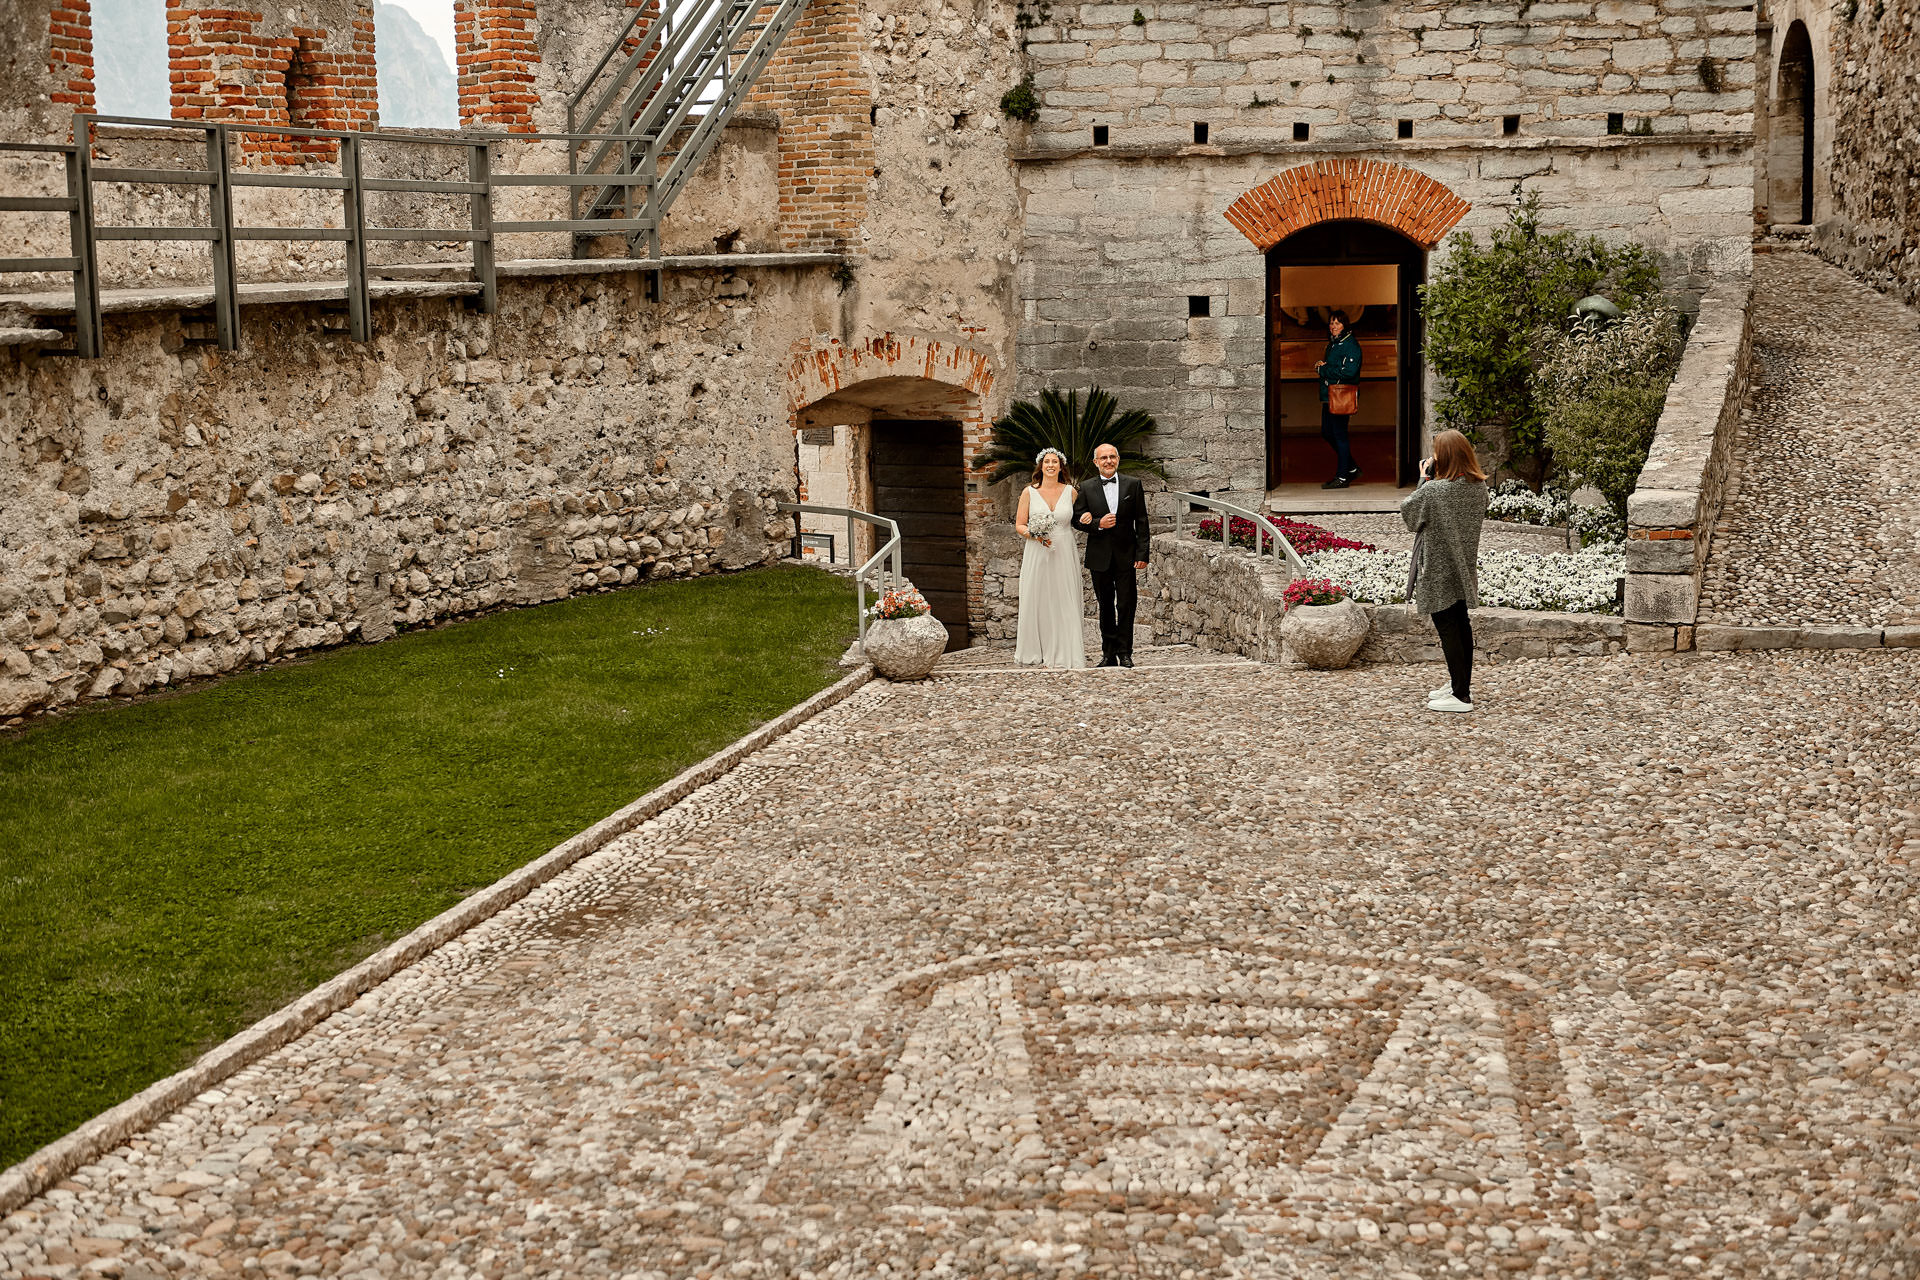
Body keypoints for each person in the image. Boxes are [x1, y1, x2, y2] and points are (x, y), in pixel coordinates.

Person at [1400, 429, 1489, 713]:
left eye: (1437, 452)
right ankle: (1458, 684)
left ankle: (1461, 696)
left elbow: (1411, 516)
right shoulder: (1479, 487)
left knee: (1449, 629)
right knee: (1461, 625)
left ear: (1445, 457)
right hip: (1462, 565)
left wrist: (1424, 478)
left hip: (1437, 567)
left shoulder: (1435, 490)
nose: (1433, 457)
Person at [1073, 442, 1151, 668]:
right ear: (1096, 462)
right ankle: (1108, 654)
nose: (1108, 461)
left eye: (1112, 457)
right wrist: (1098, 523)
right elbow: (1077, 520)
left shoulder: (1133, 485)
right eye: (1103, 458)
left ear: (1117, 459)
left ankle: (1125, 652)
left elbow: (1142, 521)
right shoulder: (1086, 488)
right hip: (1099, 557)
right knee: (1105, 605)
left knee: (1127, 605)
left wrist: (1142, 553)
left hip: (1127, 556)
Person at [1013, 448, 1089, 670]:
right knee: (1038, 598)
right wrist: (1034, 535)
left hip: (1064, 550)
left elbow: (1081, 517)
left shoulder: (1071, 492)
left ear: (1060, 467)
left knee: (1064, 598)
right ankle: (1037, 650)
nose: (1051, 465)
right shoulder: (1029, 492)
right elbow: (1019, 525)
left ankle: (1067, 651)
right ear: (1041, 466)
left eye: (1055, 462)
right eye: (1047, 461)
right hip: (1037, 551)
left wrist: (1088, 517)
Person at [1315, 309, 1363, 489]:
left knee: (1340, 436)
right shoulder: (1333, 344)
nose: (1333, 326)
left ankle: (1342, 477)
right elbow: (1335, 366)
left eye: (1337, 323)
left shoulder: (1350, 345)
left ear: (1345, 325)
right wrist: (1324, 366)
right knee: (1327, 432)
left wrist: (1323, 370)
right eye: (1331, 323)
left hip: (1341, 397)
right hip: (1330, 397)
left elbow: (1349, 372)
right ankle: (1350, 467)